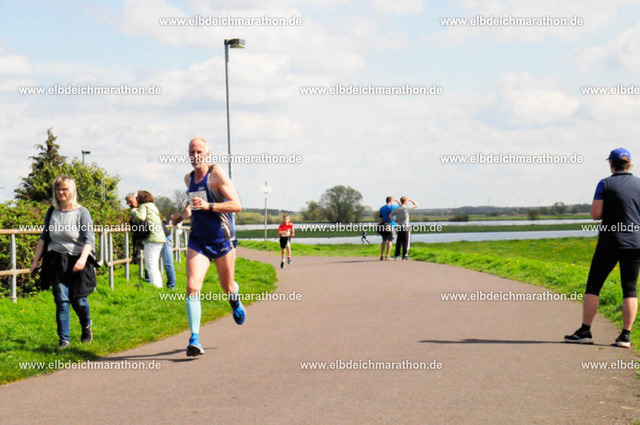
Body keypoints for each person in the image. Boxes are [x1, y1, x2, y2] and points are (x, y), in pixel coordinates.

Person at [171, 137, 244, 357]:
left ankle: (234, 300)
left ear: (207, 153)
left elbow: (236, 205)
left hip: (221, 239)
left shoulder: (216, 174)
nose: (195, 155)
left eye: (199, 152)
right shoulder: (189, 178)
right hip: (199, 240)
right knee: (192, 287)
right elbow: (194, 204)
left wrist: (209, 205)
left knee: (227, 286)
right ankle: (194, 338)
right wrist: (182, 216)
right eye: (191, 152)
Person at [565, 148, 640, 348]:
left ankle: (585, 331)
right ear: (629, 164)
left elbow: (595, 214)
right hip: (635, 242)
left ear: (611, 164)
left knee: (594, 286)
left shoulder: (605, 184)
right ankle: (625, 336)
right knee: (630, 288)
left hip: (610, 241)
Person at [30, 176, 97, 350]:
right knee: (61, 300)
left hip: (77, 259)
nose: (61, 192)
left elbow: (89, 239)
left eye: (64, 189)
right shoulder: (52, 212)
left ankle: (86, 326)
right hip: (56, 260)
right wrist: (35, 262)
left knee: (79, 300)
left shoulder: (82, 212)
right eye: (58, 189)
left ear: (72, 191)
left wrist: (82, 259)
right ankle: (64, 341)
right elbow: (44, 238)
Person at [130, 191, 166, 288]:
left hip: (152, 239)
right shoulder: (152, 206)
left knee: (151, 265)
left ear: (141, 198)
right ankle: (158, 286)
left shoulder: (144, 206)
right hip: (158, 238)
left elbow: (141, 217)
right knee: (152, 264)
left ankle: (157, 287)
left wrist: (133, 211)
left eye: (137, 197)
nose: (136, 199)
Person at [379, 196, 400, 260]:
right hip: (391, 224)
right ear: (391, 201)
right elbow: (402, 206)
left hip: (384, 224)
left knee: (384, 240)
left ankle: (382, 255)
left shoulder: (382, 208)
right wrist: (397, 201)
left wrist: (381, 225)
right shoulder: (393, 207)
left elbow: (380, 218)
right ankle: (387, 255)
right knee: (390, 240)